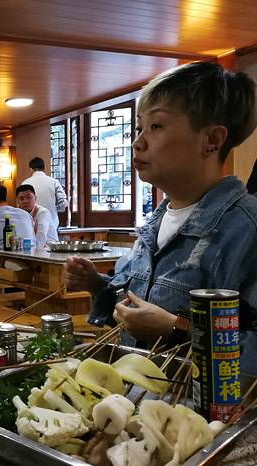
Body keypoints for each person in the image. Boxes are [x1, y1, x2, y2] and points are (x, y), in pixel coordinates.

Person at [63, 62, 257, 361]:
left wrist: (176, 330)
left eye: (156, 126)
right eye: (138, 128)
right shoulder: (155, 222)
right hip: (137, 389)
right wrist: (96, 284)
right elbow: (133, 305)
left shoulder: (247, 227)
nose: (137, 142)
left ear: (212, 140)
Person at [21, 156, 68, 231]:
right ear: (43, 168)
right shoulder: (54, 182)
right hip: (51, 223)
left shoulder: (25, 183)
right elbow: (63, 202)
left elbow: (22, 205)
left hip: (32, 224)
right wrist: (54, 209)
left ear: (31, 169)